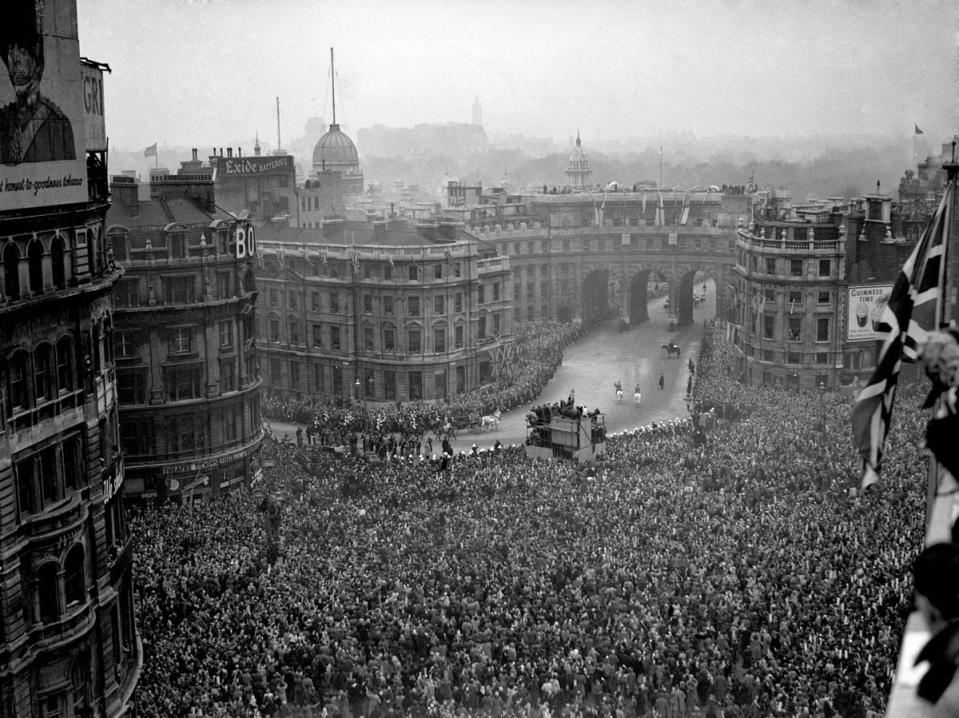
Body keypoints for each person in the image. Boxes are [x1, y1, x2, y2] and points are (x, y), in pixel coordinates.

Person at [0, 1, 77, 164]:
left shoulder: (59, 125)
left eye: (22, 51)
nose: (15, 61)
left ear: (36, 60)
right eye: (9, 51)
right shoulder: (3, 120)